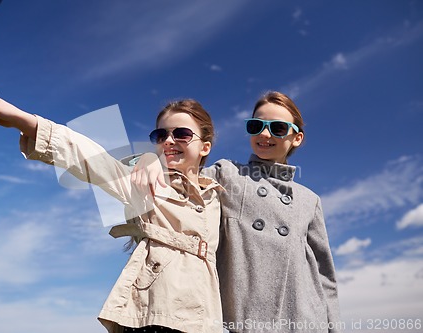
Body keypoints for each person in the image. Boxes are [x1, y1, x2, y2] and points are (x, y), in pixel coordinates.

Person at [0, 77, 225, 333]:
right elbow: (90, 158)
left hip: (206, 321)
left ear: (205, 147)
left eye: (181, 134)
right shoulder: (144, 183)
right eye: (160, 135)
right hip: (153, 316)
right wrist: (25, 122)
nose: (168, 141)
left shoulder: (219, 196)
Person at [131, 91, 342, 332]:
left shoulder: (309, 200)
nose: (264, 134)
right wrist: (149, 159)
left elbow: (325, 276)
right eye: (256, 126)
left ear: (297, 138)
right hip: (244, 320)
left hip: (303, 320)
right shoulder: (227, 174)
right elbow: (180, 174)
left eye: (278, 128)